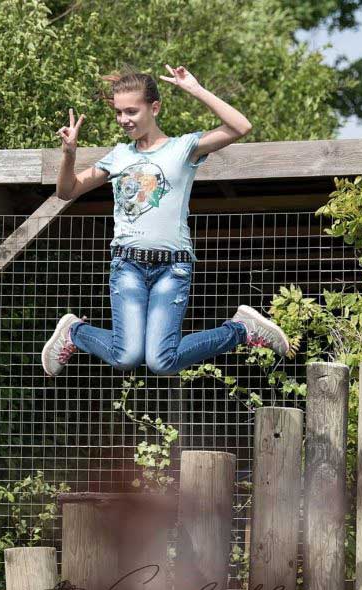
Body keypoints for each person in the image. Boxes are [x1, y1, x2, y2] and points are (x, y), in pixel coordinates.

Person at [41, 65, 289, 378]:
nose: (124, 120)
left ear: (154, 107)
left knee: (161, 361)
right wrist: (69, 154)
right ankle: (75, 333)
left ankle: (240, 330)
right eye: (118, 113)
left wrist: (196, 90)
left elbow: (240, 127)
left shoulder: (182, 148)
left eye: (131, 111)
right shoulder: (118, 155)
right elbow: (67, 191)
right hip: (127, 266)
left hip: (173, 268)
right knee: (127, 356)